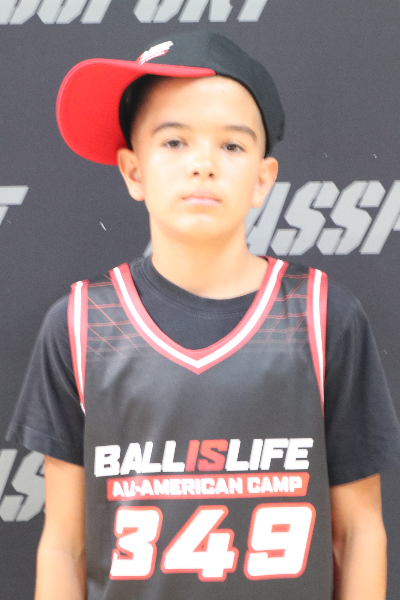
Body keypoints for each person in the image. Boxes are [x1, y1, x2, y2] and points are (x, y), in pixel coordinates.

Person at [6, 30, 400, 600]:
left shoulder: (322, 317)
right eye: (174, 142)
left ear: (263, 178)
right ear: (133, 170)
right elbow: (65, 546)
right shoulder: (81, 325)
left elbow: (358, 532)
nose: (203, 164)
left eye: (232, 146)